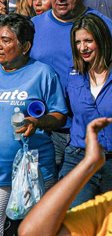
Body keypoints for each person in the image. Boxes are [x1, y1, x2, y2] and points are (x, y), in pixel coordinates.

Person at [60, 14, 112, 207]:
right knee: (74, 222)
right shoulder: (73, 73)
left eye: (89, 41)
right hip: (79, 157)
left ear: (102, 39)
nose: (83, 47)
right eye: (78, 42)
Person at [0, 14, 68, 231]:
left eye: (6, 40)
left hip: (34, 174)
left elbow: (59, 116)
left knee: (36, 231)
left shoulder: (43, 73)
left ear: (25, 46)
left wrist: (37, 122)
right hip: (0, 177)